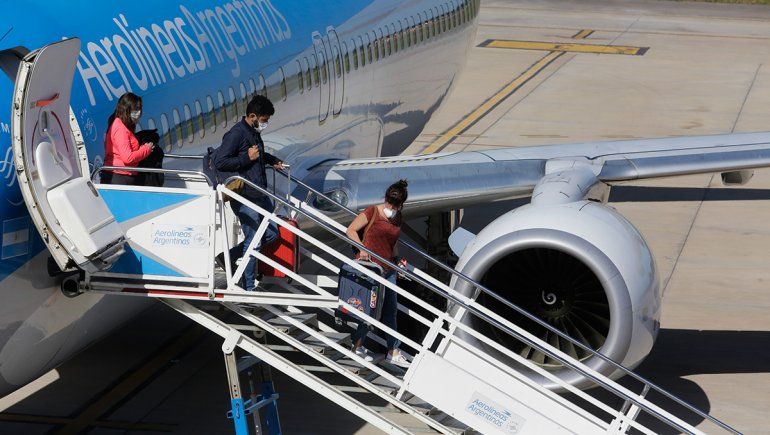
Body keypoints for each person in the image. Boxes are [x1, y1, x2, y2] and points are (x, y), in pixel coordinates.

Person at [213, 95, 285, 292]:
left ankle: (228, 256)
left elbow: (258, 154)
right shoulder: (236, 134)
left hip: (260, 193)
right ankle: (249, 287)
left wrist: (272, 160)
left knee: (271, 234)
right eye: (264, 120)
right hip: (244, 196)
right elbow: (221, 162)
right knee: (253, 242)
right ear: (252, 116)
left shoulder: (253, 132)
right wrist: (246, 158)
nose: (266, 124)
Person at [345, 180, 411, 368]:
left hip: (388, 269)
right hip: (371, 268)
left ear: (400, 205)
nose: (392, 208)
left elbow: (393, 243)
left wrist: (398, 261)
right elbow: (351, 230)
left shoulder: (398, 218)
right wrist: (361, 248)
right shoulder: (372, 211)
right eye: (390, 203)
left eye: (395, 206)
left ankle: (393, 350)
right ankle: (356, 346)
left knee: (391, 311)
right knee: (369, 309)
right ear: (386, 199)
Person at [103, 92, 156, 185]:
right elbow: (128, 158)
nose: (139, 113)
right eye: (136, 109)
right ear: (126, 109)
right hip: (119, 177)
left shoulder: (123, 124)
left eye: (140, 109)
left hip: (122, 174)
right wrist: (146, 149)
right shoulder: (120, 128)